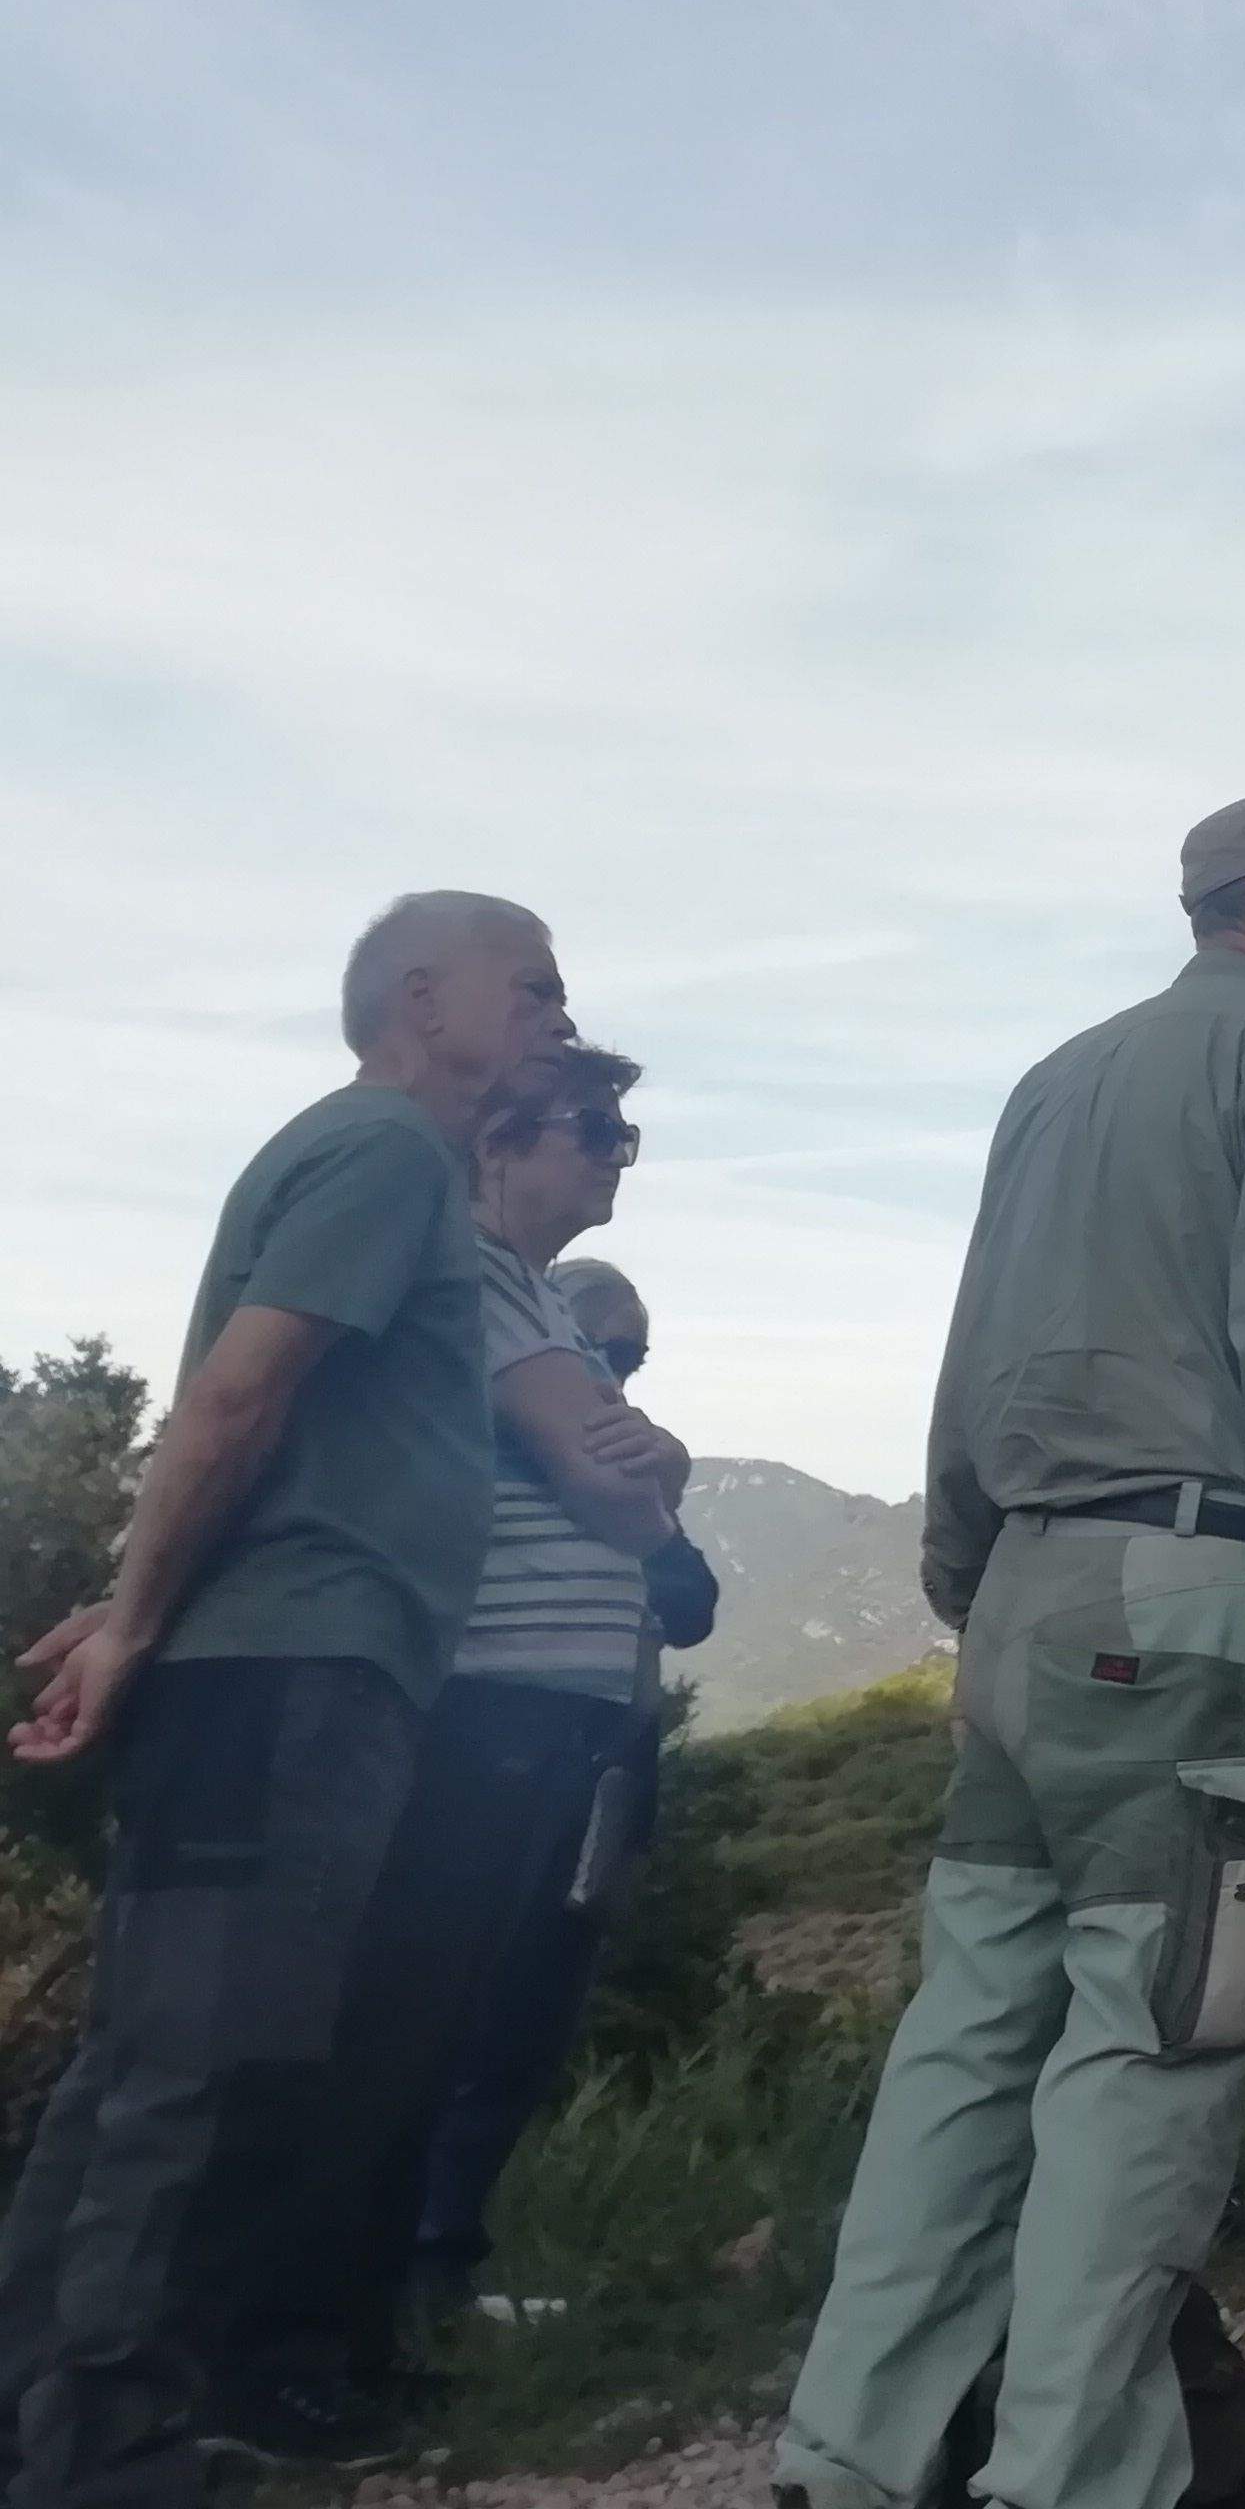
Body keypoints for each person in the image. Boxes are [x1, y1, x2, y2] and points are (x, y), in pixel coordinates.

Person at [777, 794, 1245, 2509]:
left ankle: (850, 2450)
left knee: (973, 2029)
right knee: (1157, 2045)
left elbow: (969, 1350)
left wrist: (971, 1586)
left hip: (1025, 1600)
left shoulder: (1057, 1078)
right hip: (1194, 1590)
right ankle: (1067, 2476)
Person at [0, 891, 573, 2499]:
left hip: (268, 1666)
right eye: (525, 983)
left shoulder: (376, 1160)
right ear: (416, 997)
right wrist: (130, 1615)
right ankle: (109, 2449)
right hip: (293, 1672)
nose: (553, 1009)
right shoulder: (388, 1150)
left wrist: (136, 1605)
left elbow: (253, 1410)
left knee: (144, 2061)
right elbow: (241, 1389)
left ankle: (43, 2424)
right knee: (209, 2067)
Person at [228, 1050, 689, 2418]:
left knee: (441, 2031)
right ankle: (297, 2358)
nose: (619, 1152)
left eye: (625, 1130)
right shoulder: (482, 1289)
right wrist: (631, 1462)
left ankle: (361, 2339)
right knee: (394, 2028)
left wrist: (631, 1457)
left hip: (548, 1717)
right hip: (482, 1704)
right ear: (500, 1144)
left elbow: (632, 1473)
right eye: (593, 1128)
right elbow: (620, 1495)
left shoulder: (540, 1300)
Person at [412, 1258, 721, 2319]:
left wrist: (663, 1473)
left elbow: (690, 1603)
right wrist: (657, 1480)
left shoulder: (620, 1451)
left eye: (632, 1357)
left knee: (536, 2008)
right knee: (481, 2007)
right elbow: (684, 1588)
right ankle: (421, 2265)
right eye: (605, 1350)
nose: (618, 1374)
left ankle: (442, 2265)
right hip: (513, 1732)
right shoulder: (521, 1426)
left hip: (607, 1750)